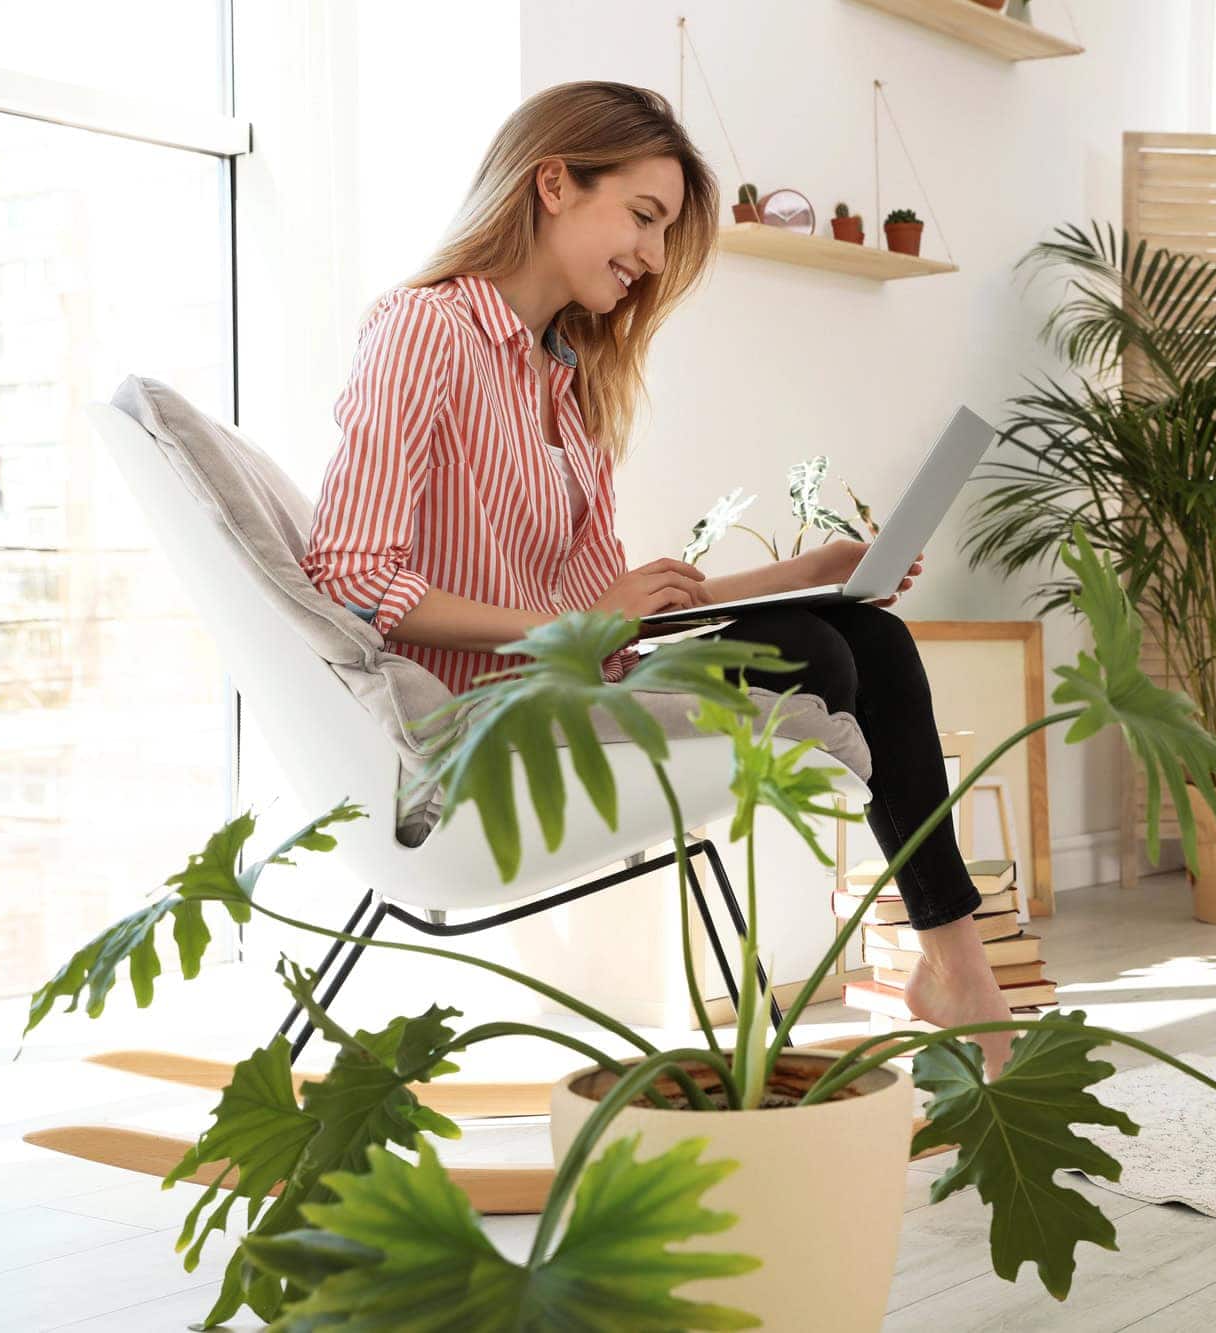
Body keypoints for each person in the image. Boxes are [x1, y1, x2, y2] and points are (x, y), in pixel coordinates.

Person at [300, 81, 1016, 1078]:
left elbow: (626, 629)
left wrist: (802, 571)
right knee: (818, 658)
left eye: (664, 230)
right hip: (487, 714)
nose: (650, 254)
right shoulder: (428, 331)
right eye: (642, 215)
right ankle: (958, 980)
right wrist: (573, 622)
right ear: (553, 182)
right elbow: (351, 573)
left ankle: (956, 965)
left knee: (863, 637)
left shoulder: (567, 379)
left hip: (580, 680)